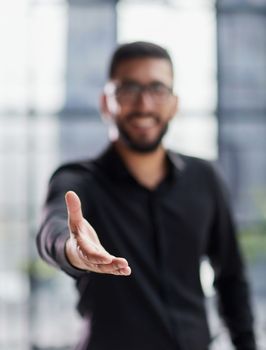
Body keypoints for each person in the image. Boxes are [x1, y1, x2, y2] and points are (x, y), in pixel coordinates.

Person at [37, 41, 256, 350]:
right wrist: (73, 249)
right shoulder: (79, 180)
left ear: (174, 104)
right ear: (105, 103)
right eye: (128, 90)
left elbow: (232, 279)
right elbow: (53, 230)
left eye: (157, 90)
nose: (144, 104)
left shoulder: (205, 178)